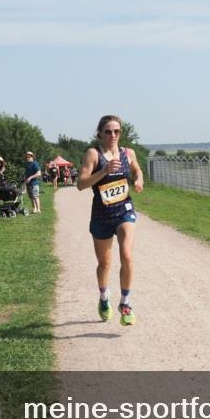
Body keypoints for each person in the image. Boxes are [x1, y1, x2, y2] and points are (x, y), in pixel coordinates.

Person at [77, 115, 144, 326]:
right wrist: (103, 171)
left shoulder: (127, 153)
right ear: (100, 133)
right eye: (108, 131)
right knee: (104, 263)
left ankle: (125, 303)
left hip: (124, 210)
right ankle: (104, 298)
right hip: (102, 215)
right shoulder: (93, 154)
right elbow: (80, 183)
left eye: (116, 131)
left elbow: (136, 169)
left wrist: (139, 179)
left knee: (126, 255)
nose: (113, 135)